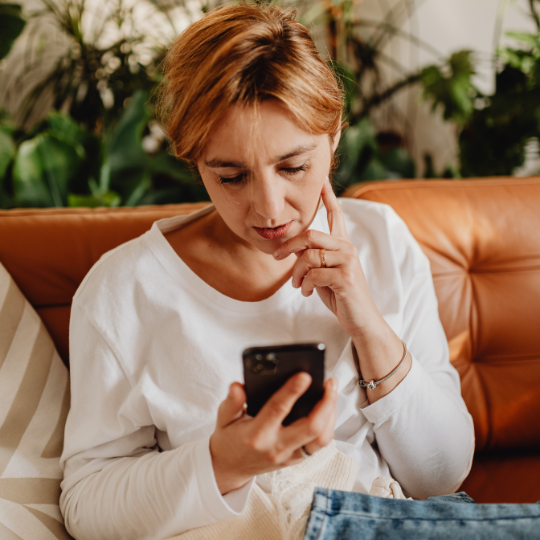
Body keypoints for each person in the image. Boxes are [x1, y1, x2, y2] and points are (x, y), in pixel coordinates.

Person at [59, 4, 479, 539]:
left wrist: (368, 324)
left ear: (333, 139)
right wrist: (222, 463)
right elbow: (85, 505)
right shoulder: (124, 290)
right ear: (195, 161)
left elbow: (440, 478)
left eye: (294, 167)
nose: (269, 210)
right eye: (231, 175)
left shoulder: (382, 241)